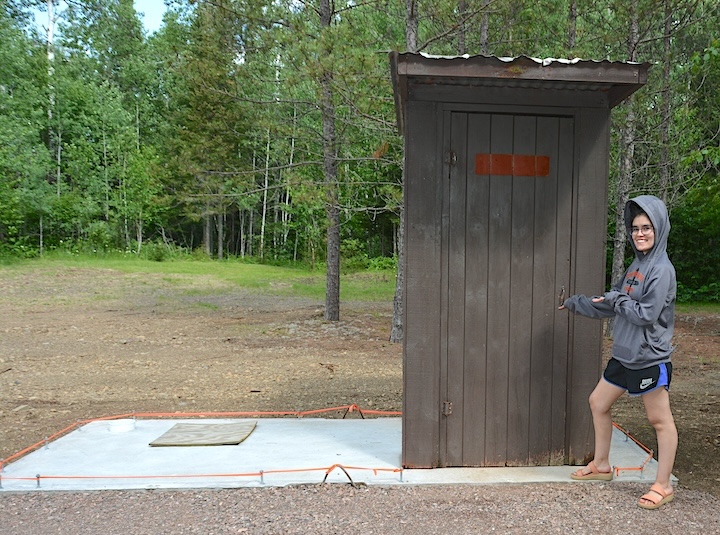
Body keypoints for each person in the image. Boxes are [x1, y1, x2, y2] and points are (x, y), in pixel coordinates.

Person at [559, 194, 678, 510]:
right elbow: (617, 306)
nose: (640, 234)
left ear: (659, 229)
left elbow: (645, 314)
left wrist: (617, 299)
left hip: (649, 357)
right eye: (636, 228)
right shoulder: (637, 266)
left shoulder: (662, 270)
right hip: (625, 354)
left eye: (647, 228)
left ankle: (663, 484)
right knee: (598, 402)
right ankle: (601, 465)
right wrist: (577, 303)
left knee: (659, 419)